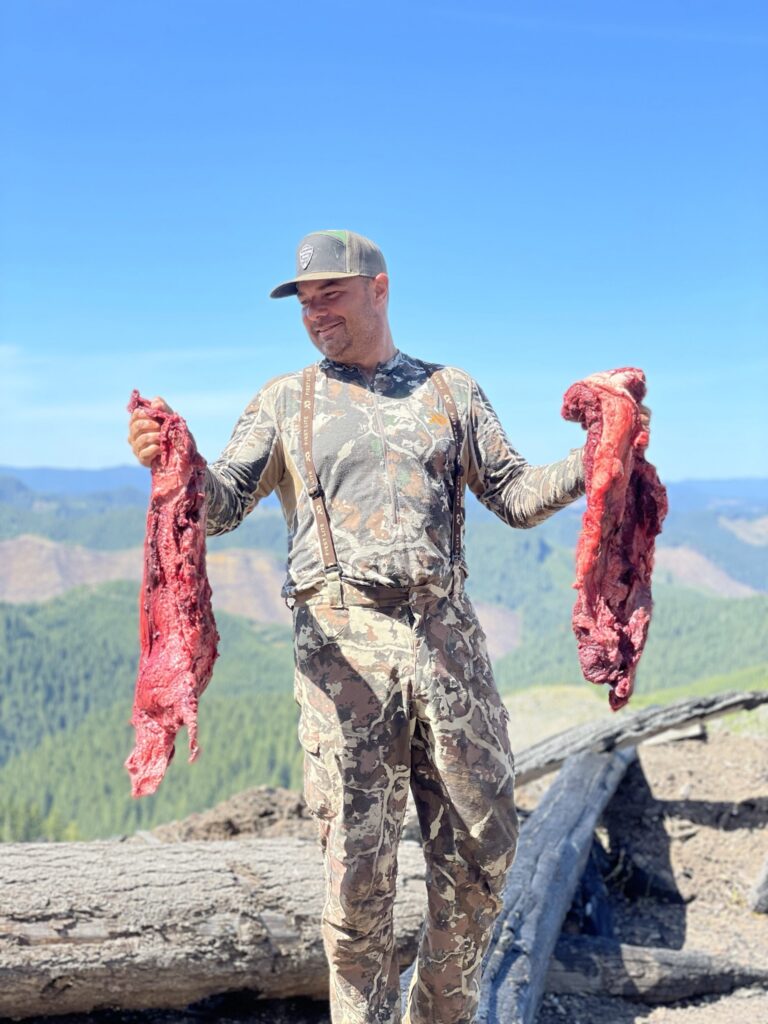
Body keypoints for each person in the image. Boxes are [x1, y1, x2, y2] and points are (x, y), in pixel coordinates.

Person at [128, 230, 587, 1024]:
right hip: (342, 661)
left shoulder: (451, 391)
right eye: (305, 301)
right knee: (356, 888)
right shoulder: (286, 400)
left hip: (448, 645)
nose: (315, 313)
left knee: (483, 853)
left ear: (380, 288)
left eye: (330, 294)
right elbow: (223, 500)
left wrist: (598, 456)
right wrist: (172, 461)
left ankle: (440, 1013)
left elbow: (514, 493)